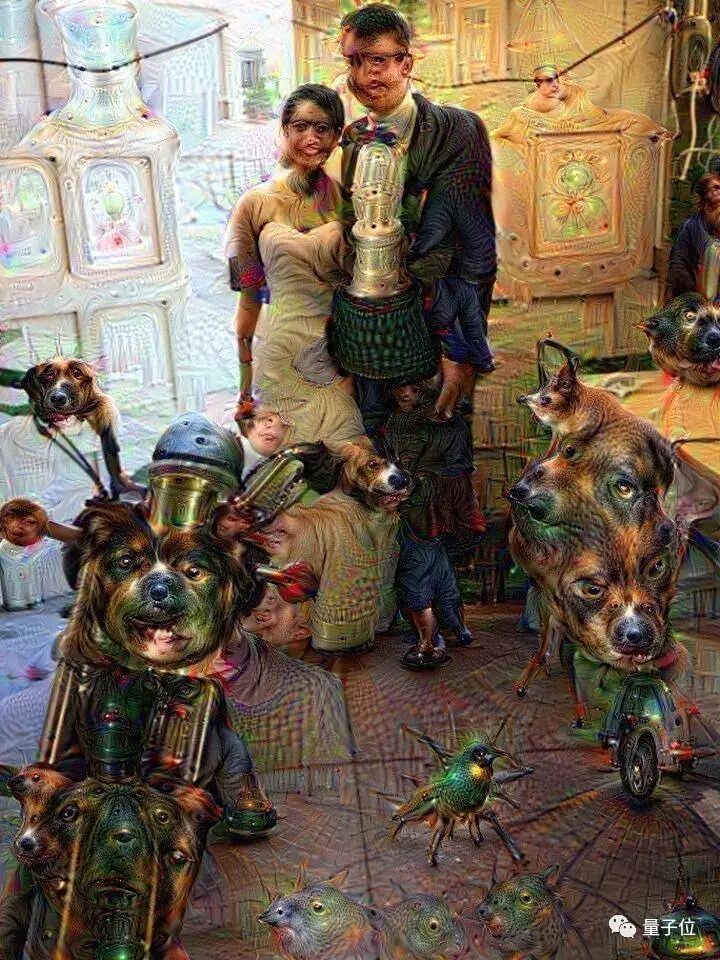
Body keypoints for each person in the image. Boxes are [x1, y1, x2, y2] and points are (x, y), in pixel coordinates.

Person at [338, 4, 497, 424]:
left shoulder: (458, 129)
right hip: (371, 332)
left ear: (406, 64)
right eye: (354, 62)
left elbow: (476, 245)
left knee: (440, 440)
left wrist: (463, 350)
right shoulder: (352, 139)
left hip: (436, 331)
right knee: (375, 437)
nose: (364, 75)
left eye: (377, 61)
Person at [224, 83, 367, 449]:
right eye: (301, 126)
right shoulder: (253, 206)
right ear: (284, 130)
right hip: (278, 355)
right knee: (286, 461)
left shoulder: (347, 203)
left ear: (336, 136)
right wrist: (245, 387)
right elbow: (248, 301)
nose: (311, 138)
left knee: (343, 456)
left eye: (322, 128)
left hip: (337, 356)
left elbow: (361, 287)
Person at [668, 172, 720, 301]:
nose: (718, 191)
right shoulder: (691, 226)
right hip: (696, 300)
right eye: (714, 188)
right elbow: (679, 267)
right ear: (703, 195)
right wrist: (695, 299)